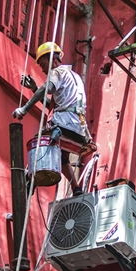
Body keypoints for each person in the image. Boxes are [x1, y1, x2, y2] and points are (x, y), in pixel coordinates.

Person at [12, 41, 90, 196]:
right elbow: (51, 105)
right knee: (63, 159)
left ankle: (27, 188)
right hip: (79, 129)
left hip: (64, 125)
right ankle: (77, 189)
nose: (42, 69)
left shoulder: (58, 72)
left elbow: (46, 89)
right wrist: (34, 88)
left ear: (53, 58)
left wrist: (24, 109)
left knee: (37, 145)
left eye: (43, 64)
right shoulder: (74, 77)